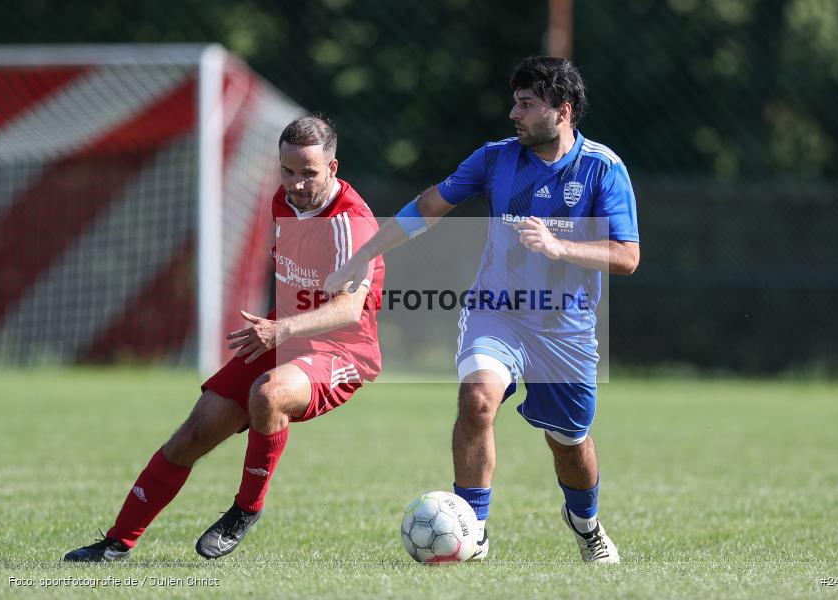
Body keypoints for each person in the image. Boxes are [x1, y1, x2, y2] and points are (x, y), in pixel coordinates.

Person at [326, 56, 639, 563]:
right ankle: (473, 530)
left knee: (569, 442)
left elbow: (627, 257)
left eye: (526, 103)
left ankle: (586, 523)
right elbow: (428, 208)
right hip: (498, 312)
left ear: (561, 111)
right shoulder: (495, 159)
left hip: (567, 328)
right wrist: (365, 253)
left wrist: (561, 248)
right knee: (477, 401)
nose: (513, 112)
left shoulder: (603, 168)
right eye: (514, 101)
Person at [64, 115, 385, 561]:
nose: (295, 184)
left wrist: (282, 329)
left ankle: (246, 509)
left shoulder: (352, 224)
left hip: (340, 348)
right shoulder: (282, 201)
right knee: (193, 433)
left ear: (333, 168)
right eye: (287, 171)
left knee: (269, 394)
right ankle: (116, 542)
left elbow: (349, 309)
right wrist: (279, 329)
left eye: (309, 173)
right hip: (282, 333)